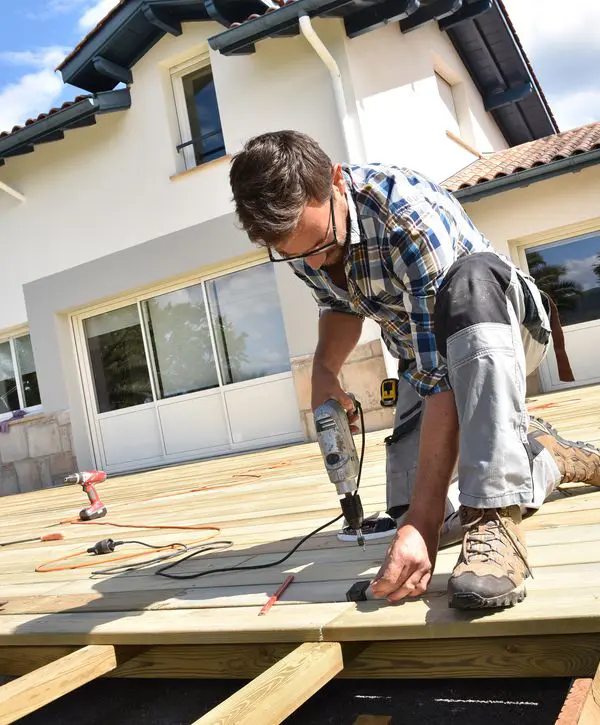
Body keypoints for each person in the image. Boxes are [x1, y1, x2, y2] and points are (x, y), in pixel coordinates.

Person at [228, 130, 600, 610]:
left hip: (502, 330)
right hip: (421, 360)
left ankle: (494, 518)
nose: (315, 261)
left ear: (336, 181)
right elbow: (338, 306)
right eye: (298, 254)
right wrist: (324, 370)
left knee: (471, 279)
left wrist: (419, 529)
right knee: (414, 510)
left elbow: (445, 378)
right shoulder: (300, 238)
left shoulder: (405, 213)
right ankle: (546, 459)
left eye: (321, 243)